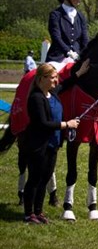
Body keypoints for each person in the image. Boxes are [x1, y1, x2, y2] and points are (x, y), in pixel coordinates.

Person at [21, 63, 84, 223]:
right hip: (37, 144)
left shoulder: (52, 93)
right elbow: (42, 123)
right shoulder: (36, 98)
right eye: (53, 77)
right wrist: (66, 124)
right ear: (42, 78)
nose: (56, 81)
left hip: (53, 144)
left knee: (45, 178)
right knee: (34, 179)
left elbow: (65, 84)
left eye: (56, 77)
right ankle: (29, 214)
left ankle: (38, 211)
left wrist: (81, 72)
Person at [45, 0, 89, 64]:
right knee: (51, 75)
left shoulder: (81, 16)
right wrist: (68, 52)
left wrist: (87, 53)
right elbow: (56, 37)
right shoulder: (55, 15)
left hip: (77, 57)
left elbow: (85, 39)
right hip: (58, 58)